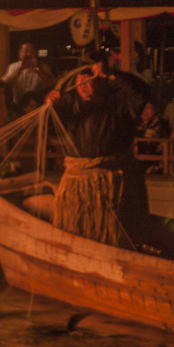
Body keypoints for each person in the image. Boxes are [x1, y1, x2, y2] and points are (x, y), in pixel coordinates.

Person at [45, 68, 151, 248]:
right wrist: (49, 104)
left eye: (89, 80)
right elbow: (47, 124)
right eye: (81, 82)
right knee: (73, 231)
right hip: (77, 182)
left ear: (102, 82)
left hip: (115, 179)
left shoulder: (120, 100)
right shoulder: (69, 103)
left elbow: (141, 92)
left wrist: (111, 74)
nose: (85, 86)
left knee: (116, 234)